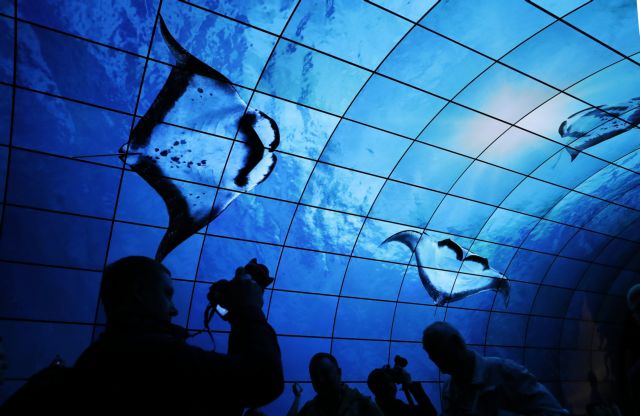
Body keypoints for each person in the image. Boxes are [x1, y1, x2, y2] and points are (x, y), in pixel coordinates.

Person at [71, 256, 283, 414]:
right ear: (139, 292)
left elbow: (230, 396)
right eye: (167, 294)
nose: (174, 310)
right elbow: (263, 379)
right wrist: (249, 309)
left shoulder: (101, 356)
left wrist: (238, 317)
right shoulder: (152, 355)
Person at [422, 321, 568, 416]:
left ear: (457, 342)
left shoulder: (506, 371)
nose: (442, 369)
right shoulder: (448, 389)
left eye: (443, 357)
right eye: (435, 360)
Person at [291, 352, 383, 416]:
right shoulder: (309, 409)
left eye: (325, 373)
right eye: (315, 376)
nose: (320, 380)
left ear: (339, 373)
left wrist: (297, 397)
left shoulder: (363, 405)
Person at [367, 356, 436, 416]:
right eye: (391, 380)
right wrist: (409, 382)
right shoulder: (395, 408)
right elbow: (430, 412)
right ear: (390, 386)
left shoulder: (379, 407)